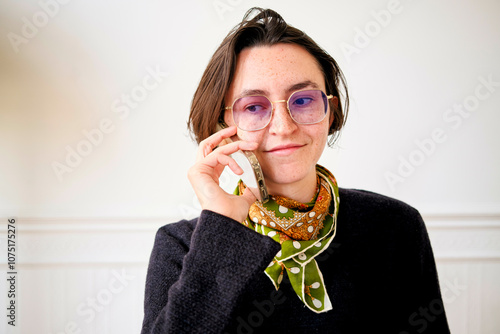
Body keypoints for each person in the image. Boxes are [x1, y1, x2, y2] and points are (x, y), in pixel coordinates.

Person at [141, 7, 450, 334]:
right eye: (254, 107)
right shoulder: (181, 245)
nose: (284, 127)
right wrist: (223, 228)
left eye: (302, 101)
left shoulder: (394, 226)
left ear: (329, 113)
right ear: (224, 128)